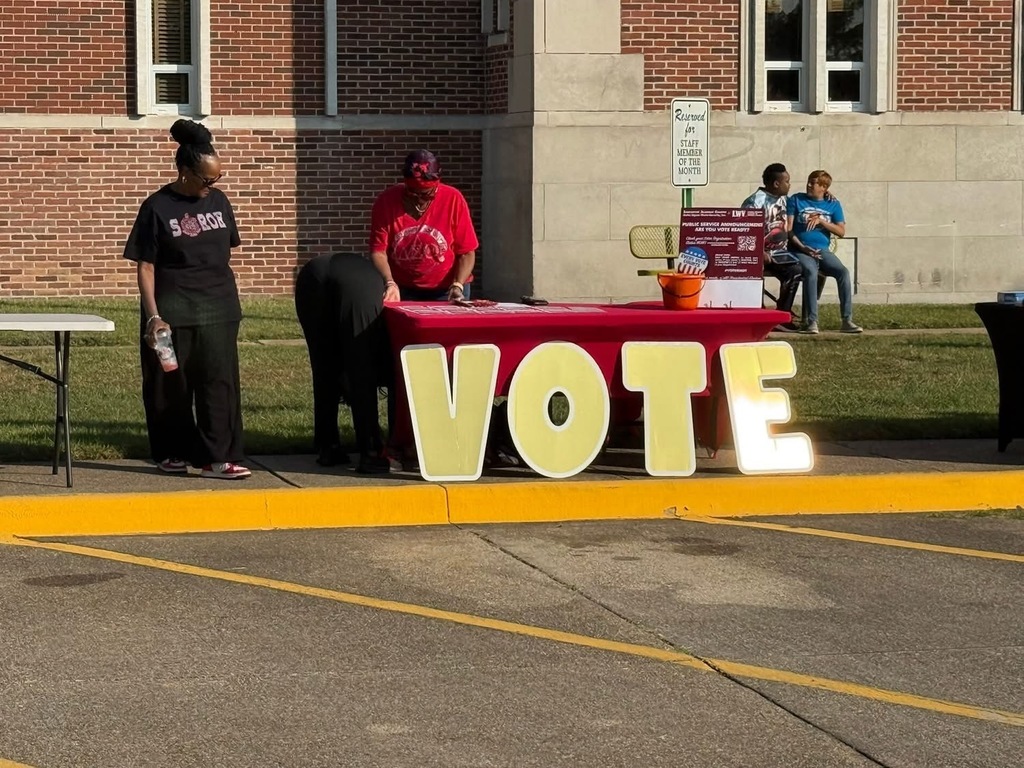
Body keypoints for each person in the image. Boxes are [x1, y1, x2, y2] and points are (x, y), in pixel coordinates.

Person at [123, 119, 251, 479]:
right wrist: (153, 316)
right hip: (171, 312)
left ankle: (218, 458)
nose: (213, 187)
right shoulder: (157, 207)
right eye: (207, 180)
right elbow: (146, 266)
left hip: (219, 309)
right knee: (170, 385)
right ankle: (171, 452)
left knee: (218, 383)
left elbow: (222, 252)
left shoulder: (219, 200)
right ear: (184, 172)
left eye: (218, 179)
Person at [294, 252, 391, 475]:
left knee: (322, 363)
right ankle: (371, 451)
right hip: (358, 279)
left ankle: (328, 446)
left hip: (311, 274)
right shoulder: (377, 272)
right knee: (361, 364)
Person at [369, 149, 479, 303]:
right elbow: (378, 251)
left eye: (427, 194)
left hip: (447, 288)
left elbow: (467, 252)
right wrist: (389, 282)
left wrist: (458, 284)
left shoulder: (453, 198)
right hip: (402, 288)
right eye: (414, 193)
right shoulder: (386, 201)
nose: (420, 199)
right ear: (405, 185)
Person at [787, 170, 863, 335]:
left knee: (843, 272)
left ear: (823, 187)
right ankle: (811, 322)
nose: (808, 185)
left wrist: (821, 221)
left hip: (822, 250)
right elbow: (789, 229)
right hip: (800, 249)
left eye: (813, 183)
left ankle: (846, 320)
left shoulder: (833, 205)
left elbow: (841, 231)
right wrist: (802, 247)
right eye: (809, 181)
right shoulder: (796, 200)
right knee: (811, 271)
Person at [741, 163, 804, 332]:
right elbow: (744, 232)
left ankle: (782, 316)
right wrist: (759, 252)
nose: (789, 185)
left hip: (781, 253)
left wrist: (827, 195)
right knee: (755, 269)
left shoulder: (785, 199)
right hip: (759, 255)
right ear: (777, 184)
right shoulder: (754, 202)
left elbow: (806, 201)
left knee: (796, 270)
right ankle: (758, 316)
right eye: (787, 181)